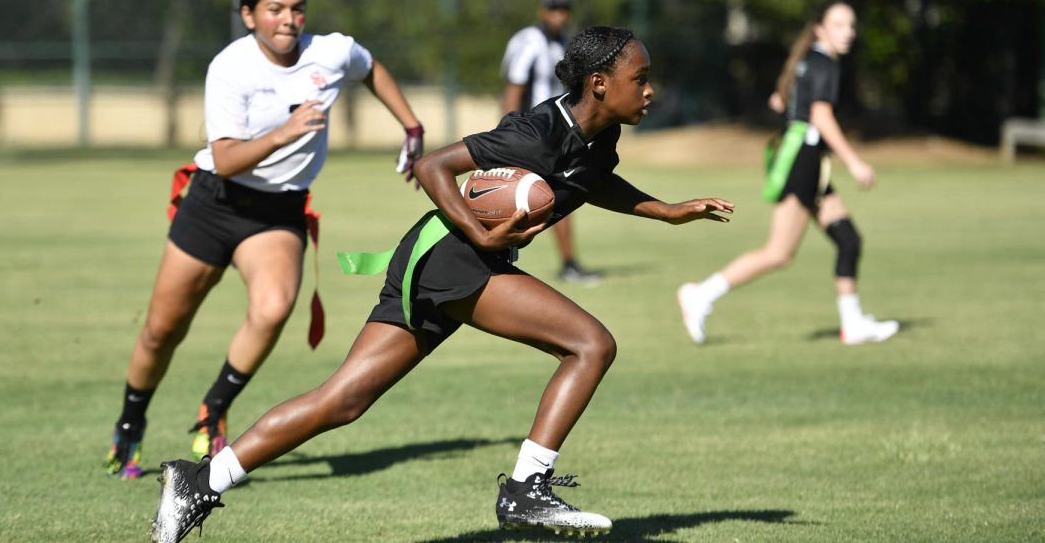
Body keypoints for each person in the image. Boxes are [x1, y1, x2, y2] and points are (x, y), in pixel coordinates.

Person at [147, 26, 735, 542]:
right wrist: (481, 241)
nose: (650, 89)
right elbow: (433, 167)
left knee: (342, 401)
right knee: (590, 344)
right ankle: (526, 491)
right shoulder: (535, 132)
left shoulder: (600, 135)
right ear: (601, 82)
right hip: (453, 257)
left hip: (437, 262)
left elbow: (592, 181)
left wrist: (668, 210)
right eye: (642, 76)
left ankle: (197, 482)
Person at [104, 0, 425, 479]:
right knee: (162, 332)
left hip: (278, 210)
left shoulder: (332, 51)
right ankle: (129, 425)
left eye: (297, 8)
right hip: (214, 202)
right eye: (275, 9)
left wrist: (411, 126)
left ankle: (211, 412)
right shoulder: (230, 68)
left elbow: (372, 70)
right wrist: (287, 130)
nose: (289, 19)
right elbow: (226, 159)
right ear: (249, 14)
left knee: (274, 309)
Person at [677, 0, 899, 346]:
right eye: (839, 25)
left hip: (803, 158)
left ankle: (852, 323)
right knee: (778, 253)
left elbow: (778, 102)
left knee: (848, 239)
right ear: (820, 28)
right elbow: (821, 117)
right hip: (804, 162)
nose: (848, 32)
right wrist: (854, 162)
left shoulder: (807, 60)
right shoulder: (823, 63)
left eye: (851, 25)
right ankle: (700, 294)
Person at [501, 0, 602, 285]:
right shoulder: (530, 41)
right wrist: (509, 131)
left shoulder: (563, 44)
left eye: (565, 9)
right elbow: (514, 86)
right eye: (555, 9)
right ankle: (494, 258)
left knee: (558, 194)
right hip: (531, 131)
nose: (560, 15)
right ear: (542, 11)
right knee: (512, 197)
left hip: (556, 132)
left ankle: (568, 263)